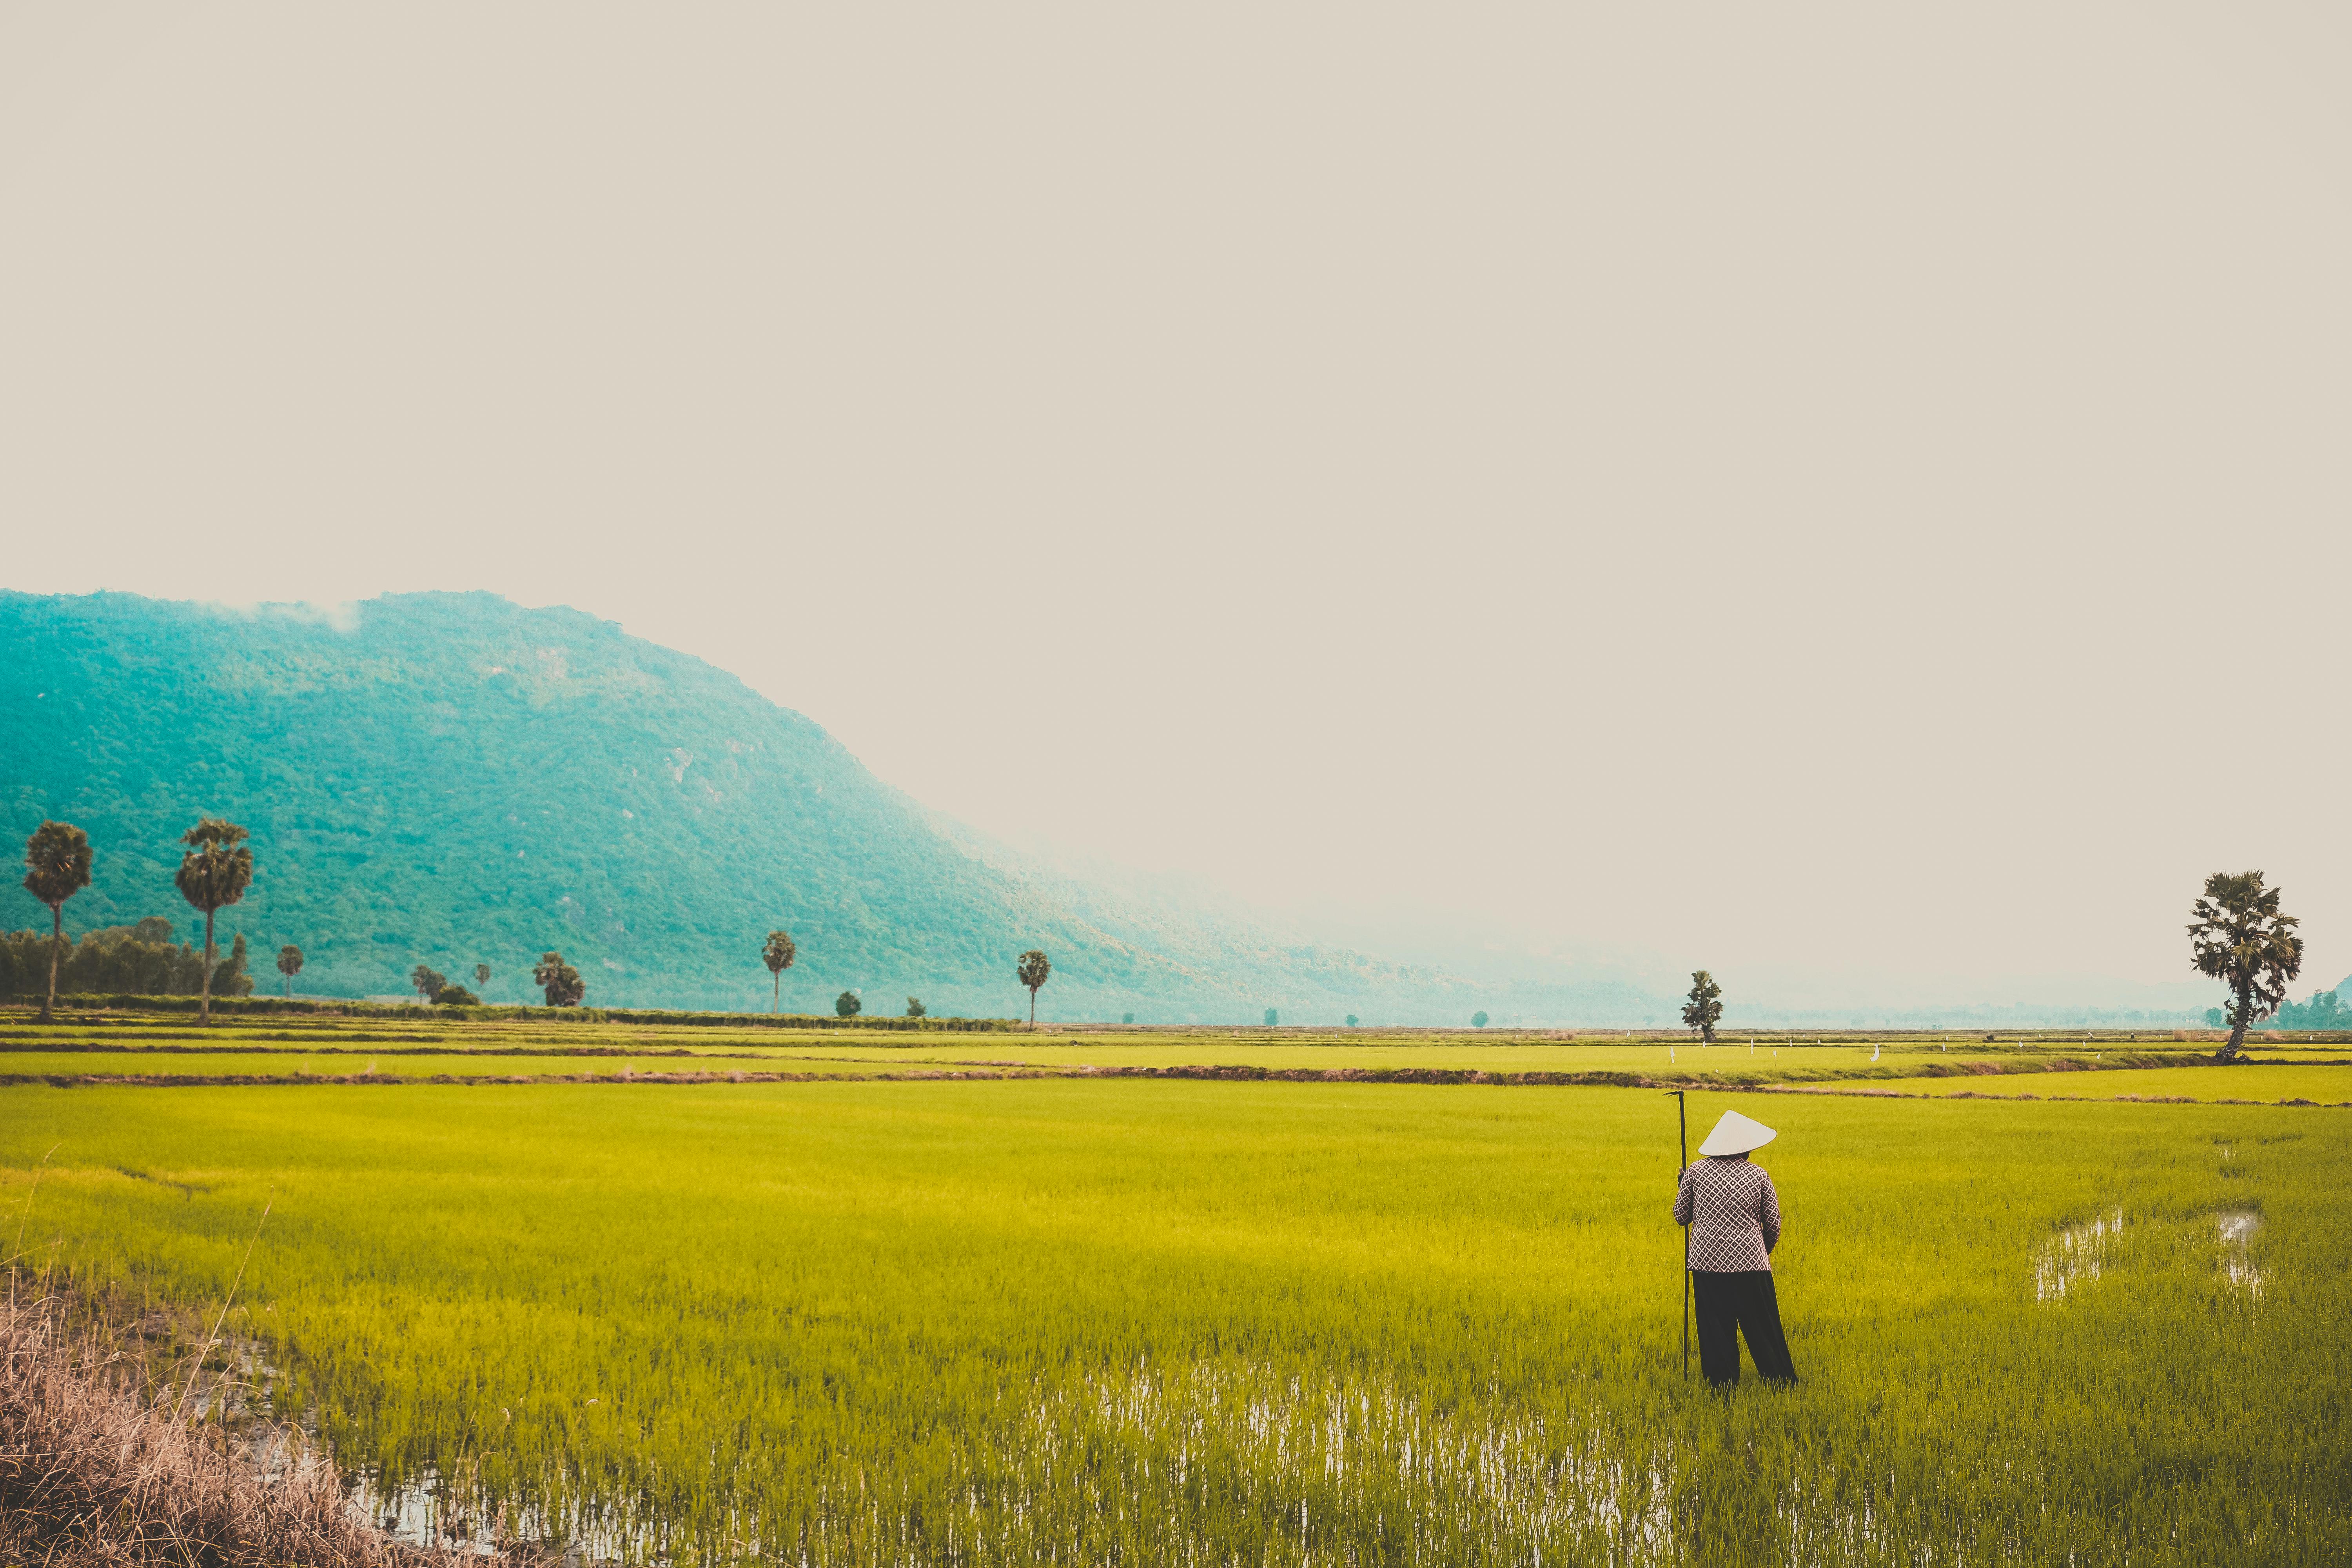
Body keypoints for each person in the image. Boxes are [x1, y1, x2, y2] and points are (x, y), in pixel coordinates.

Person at [1673, 1109, 1797, 1387]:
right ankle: (1780, 1382)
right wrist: (1762, 1253)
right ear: (1746, 1149)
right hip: (1752, 1265)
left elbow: (1682, 1216)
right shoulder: (1759, 1175)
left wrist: (1682, 1186)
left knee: (1716, 1329)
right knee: (1764, 1328)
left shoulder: (1695, 1171)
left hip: (1707, 1264)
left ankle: (1722, 1386)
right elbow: (1773, 1223)